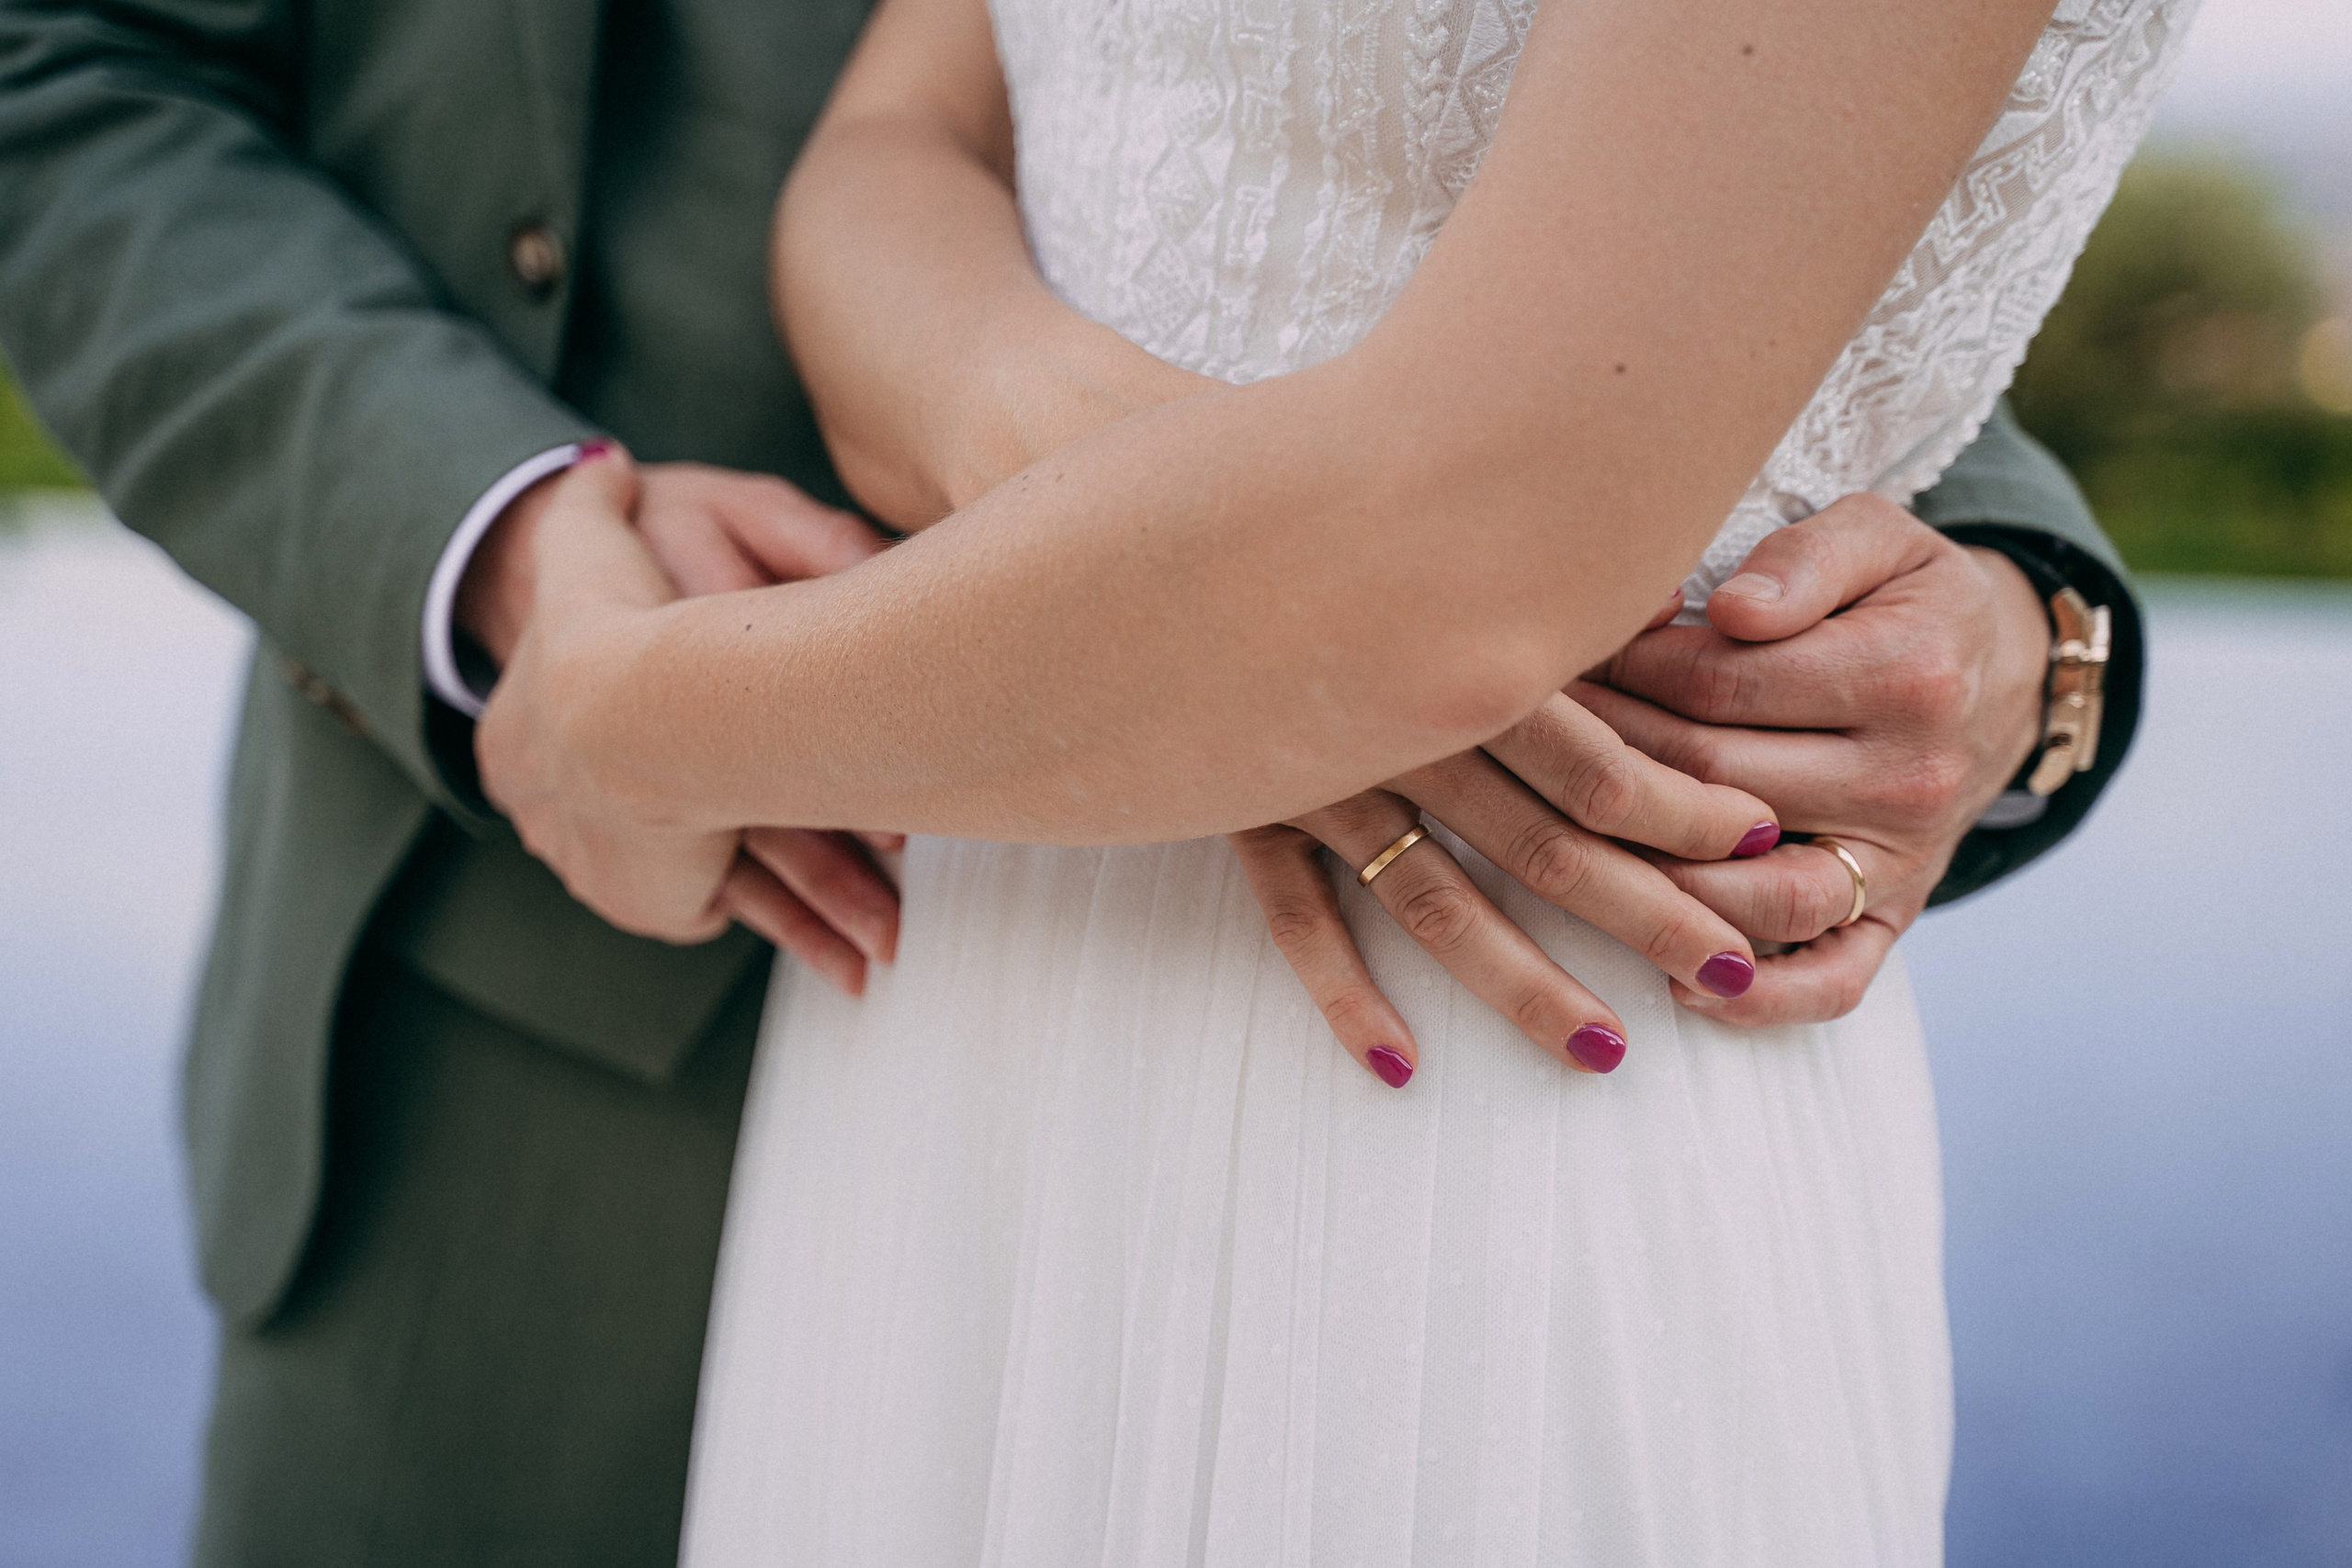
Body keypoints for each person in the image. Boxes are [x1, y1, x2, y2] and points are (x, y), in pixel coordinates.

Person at [0, 2, 2143, 1566]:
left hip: (1475, 1077)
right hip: (711, 1069)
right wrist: (1171, 559)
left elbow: (1725, 263)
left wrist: (2022, 629)